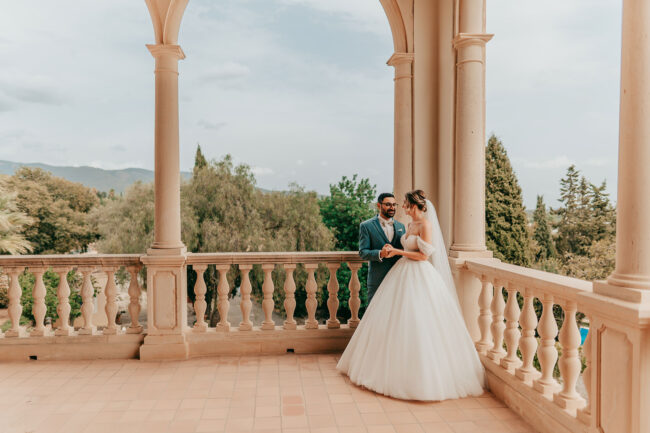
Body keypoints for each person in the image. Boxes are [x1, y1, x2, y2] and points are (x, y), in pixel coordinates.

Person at [337, 190, 485, 401]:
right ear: (379, 206)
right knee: (391, 322)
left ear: (414, 206)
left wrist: (397, 252)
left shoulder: (425, 225)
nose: (400, 208)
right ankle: (385, 366)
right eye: (393, 204)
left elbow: (423, 256)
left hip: (418, 275)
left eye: (403, 204)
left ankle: (420, 375)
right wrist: (386, 252)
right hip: (397, 275)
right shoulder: (404, 226)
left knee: (418, 322)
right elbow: (367, 251)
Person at [358, 193, 406, 303]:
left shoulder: (401, 226)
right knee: (373, 312)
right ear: (379, 205)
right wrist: (380, 253)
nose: (392, 208)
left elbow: (404, 250)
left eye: (394, 205)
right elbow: (363, 252)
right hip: (377, 278)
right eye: (388, 204)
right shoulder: (366, 226)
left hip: (397, 278)